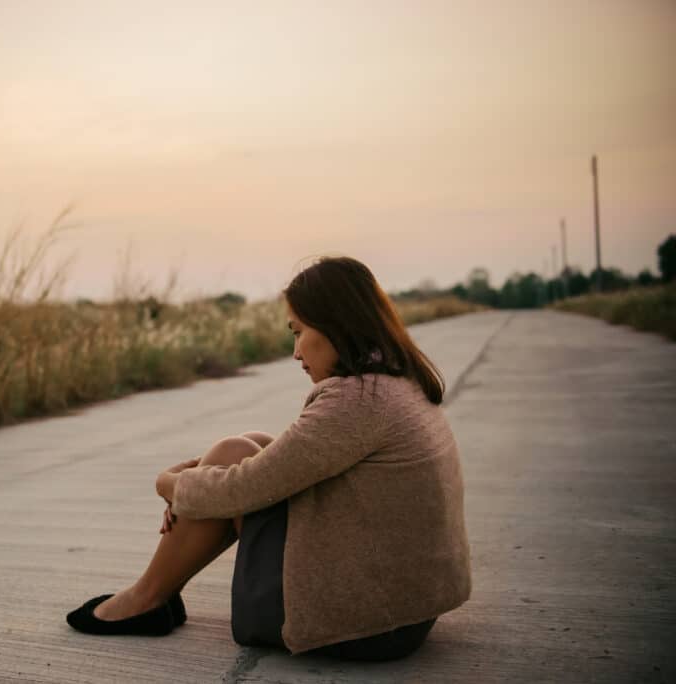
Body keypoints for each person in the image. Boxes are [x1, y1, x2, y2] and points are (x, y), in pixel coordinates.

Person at [66, 256, 472, 660]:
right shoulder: (396, 384)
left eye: (299, 332)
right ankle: (157, 593)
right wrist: (198, 481)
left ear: (336, 325)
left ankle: (146, 598)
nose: (296, 352)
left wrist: (168, 483)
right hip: (404, 609)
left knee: (232, 459)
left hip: (364, 624)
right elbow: (281, 465)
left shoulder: (357, 401)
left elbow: (242, 487)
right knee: (250, 445)